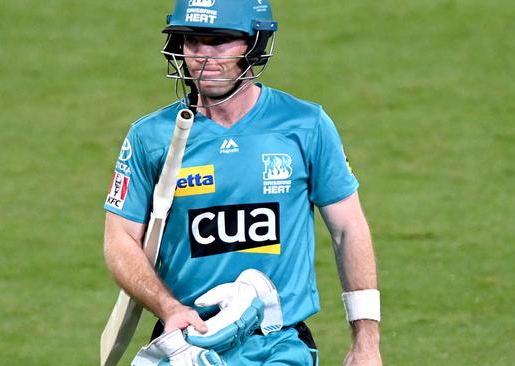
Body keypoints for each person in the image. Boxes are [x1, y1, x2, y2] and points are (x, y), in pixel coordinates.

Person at [103, 0, 382, 364]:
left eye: (219, 41)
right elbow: (120, 239)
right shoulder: (150, 137)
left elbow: (349, 230)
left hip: (280, 346)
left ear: (255, 45)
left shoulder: (306, 125)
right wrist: (168, 307)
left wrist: (366, 341)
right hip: (186, 342)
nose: (202, 56)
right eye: (191, 41)